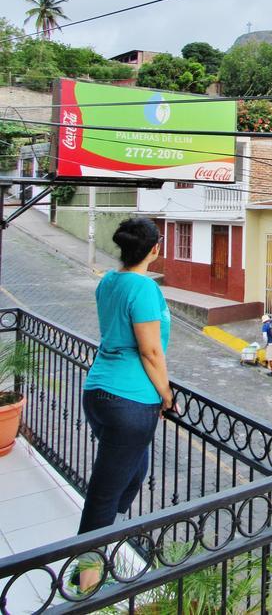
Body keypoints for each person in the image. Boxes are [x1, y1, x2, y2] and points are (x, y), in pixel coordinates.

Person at [75, 217, 173, 592]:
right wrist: (166, 393)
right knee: (102, 496)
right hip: (130, 402)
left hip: (98, 393)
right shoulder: (143, 288)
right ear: (154, 249)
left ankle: (103, 543)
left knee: (133, 474)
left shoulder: (109, 282)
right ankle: (85, 585)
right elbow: (149, 350)